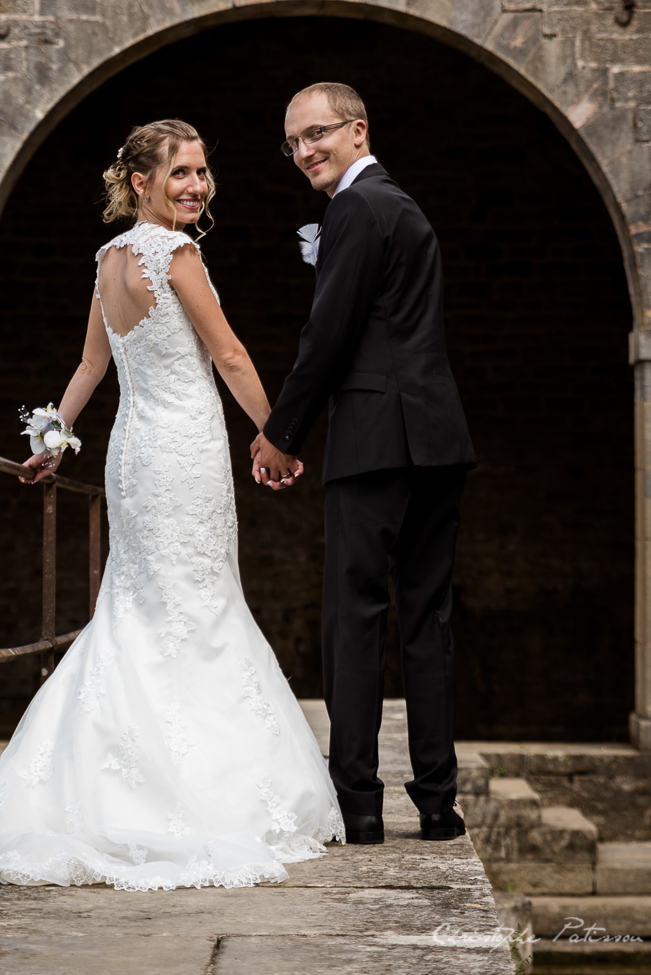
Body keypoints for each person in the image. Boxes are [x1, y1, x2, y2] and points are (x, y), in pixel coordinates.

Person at [0, 118, 343, 891]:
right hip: (183, 451)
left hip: (133, 455)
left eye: (201, 172)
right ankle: (199, 795)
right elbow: (229, 354)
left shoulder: (108, 259)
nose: (196, 186)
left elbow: (89, 366)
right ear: (140, 182)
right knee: (196, 605)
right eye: (181, 173)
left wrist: (52, 438)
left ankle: (108, 785)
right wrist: (275, 436)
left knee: (141, 607)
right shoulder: (176, 254)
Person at [250, 83, 476, 846]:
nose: (304, 151)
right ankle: (438, 805)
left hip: (375, 440)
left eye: (316, 134)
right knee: (427, 618)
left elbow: (329, 335)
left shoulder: (354, 206)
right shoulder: (404, 207)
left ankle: (361, 804)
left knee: (354, 616)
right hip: (437, 438)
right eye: (293, 142)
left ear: (358, 130)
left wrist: (281, 432)